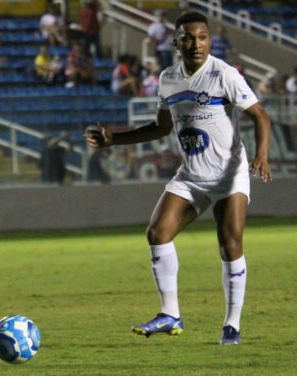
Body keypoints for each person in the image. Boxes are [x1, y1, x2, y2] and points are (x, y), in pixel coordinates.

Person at [85, 11, 272, 345]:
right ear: (175, 42)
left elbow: (260, 115)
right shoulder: (169, 79)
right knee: (157, 233)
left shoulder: (224, 74)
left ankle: (232, 325)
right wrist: (115, 138)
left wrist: (261, 155)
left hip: (229, 175)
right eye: (188, 37)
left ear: (209, 40)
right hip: (191, 176)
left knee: (230, 245)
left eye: (202, 37)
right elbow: (161, 127)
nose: (196, 44)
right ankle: (170, 313)